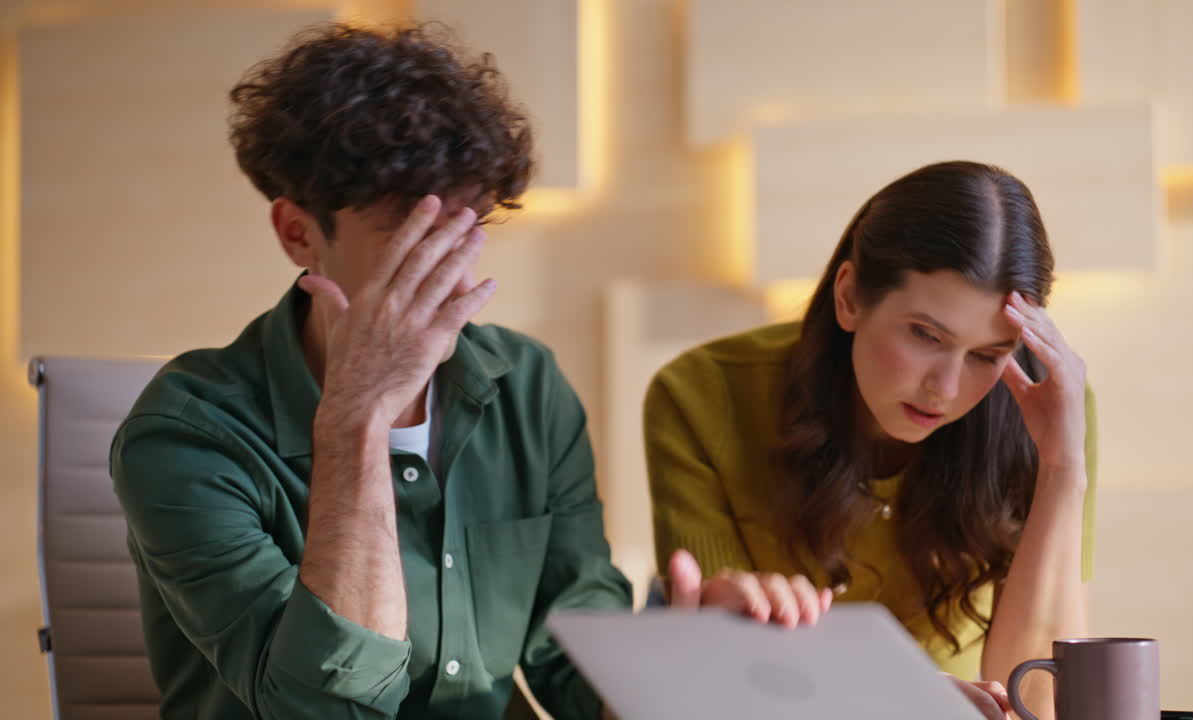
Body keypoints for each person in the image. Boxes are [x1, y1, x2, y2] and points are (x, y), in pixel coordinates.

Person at [110, 22, 822, 720]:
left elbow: (576, 674)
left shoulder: (527, 388)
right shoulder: (187, 434)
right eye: (413, 233)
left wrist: (682, 659)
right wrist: (358, 419)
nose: (454, 275)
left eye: (468, 227)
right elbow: (319, 708)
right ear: (299, 233)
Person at [646, 160, 1096, 720]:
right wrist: (898, 694)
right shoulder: (699, 396)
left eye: (987, 355)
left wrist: (1062, 468)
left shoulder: (1051, 409)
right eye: (926, 335)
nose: (945, 388)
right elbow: (725, 674)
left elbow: (1040, 705)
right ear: (850, 296)